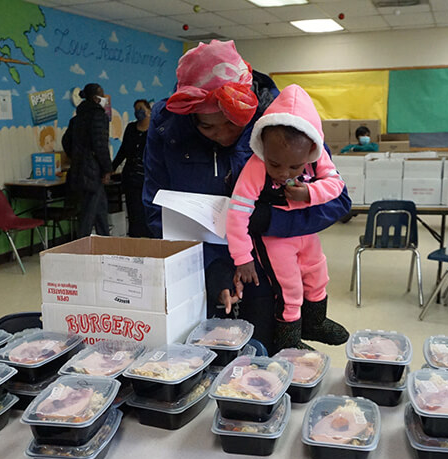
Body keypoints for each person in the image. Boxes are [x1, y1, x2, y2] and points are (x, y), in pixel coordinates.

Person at [142, 40, 351, 355]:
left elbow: (337, 200)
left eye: (234, 123)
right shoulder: (168, 126)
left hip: (267, 266)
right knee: (207, 358)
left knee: (265, 356)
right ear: (191, 117)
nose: (225, 134)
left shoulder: (284, 119)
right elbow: (158, 209)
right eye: (209, 127)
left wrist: (271, 220)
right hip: (201, 269)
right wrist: (213, 265)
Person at [226, 84, 349, 351]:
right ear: (263, 149)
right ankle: (289, 342)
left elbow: (336, 185)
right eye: (275, 164)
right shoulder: (256, 165)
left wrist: (309, 193)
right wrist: (243, 258)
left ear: (311, 150)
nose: (283, 173)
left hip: (306, 233)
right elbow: (237, 214)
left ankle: (315, 322)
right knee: (289, 290)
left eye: (294, 166)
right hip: (275, 240)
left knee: (318, 274)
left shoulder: (317, 156)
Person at [62, 83, 111, 237]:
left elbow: (66, 141)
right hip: (93, 171)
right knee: (88, 215)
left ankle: (106, 243)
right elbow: (100, 145)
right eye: (102, 94)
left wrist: (77, 156)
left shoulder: (76, 119)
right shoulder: (99, 116)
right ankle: (82, 249)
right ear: (96, 98)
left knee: (100, 209)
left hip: (79, 170)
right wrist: (107, 169)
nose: (105, 98)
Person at [112, 99, 154, 238]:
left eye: (141, 108)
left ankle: (150, 237)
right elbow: (123, 150)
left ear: (149, 110)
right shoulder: (131, 128)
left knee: (147, 210)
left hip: (148, 178)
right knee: (133, 211)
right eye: (136, 109)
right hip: (131, 177)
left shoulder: (154, 129)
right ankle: (135, 238)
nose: (138, 112)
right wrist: (111, 167)